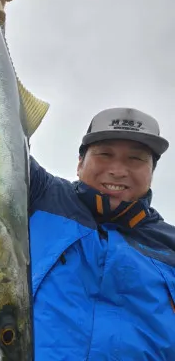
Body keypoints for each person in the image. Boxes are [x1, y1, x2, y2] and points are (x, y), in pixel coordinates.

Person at [29, 107, 175, 360]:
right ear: (79, 163)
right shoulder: (39, 195)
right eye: (105, 154)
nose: (118, 170)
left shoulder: (170, 245)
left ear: (152, 171)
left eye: (136, 158)